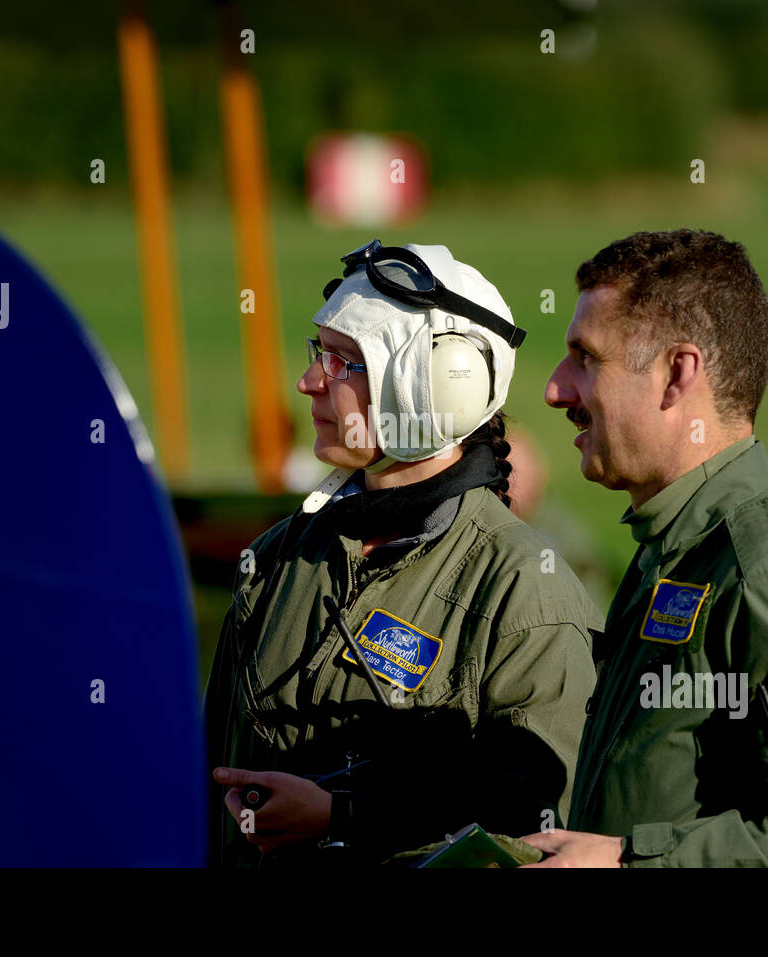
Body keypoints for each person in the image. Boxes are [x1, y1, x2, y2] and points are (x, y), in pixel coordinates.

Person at [205, 239, 599, 867]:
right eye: (319, 356)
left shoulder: (525, 590)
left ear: (440, 388)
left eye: (343, 363)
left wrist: (346, 818)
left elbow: (542, 829)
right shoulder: (275, 560)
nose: (308, 383)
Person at [522, 229, 768, 867]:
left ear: (677, 374)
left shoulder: (764, 577)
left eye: (585, 358)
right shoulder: (672, 552)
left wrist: (626, 862)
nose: (557, 390)